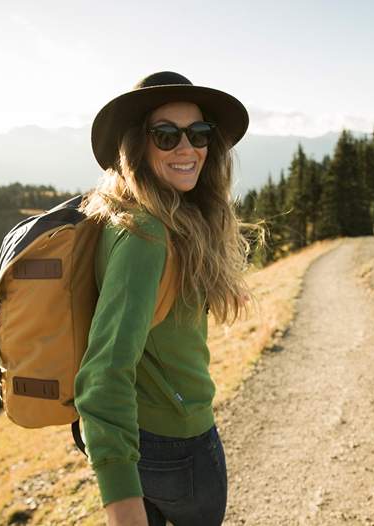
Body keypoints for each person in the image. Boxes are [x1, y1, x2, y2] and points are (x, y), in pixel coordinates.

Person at [75, 71, 260, 526]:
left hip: (147, 437)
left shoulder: (128, 214)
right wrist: (122, 504)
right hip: (176, 445)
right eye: (166, 135)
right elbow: (104, 371)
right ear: (138, 145)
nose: (187, 148)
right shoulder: (147, 234)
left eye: (199, 134)